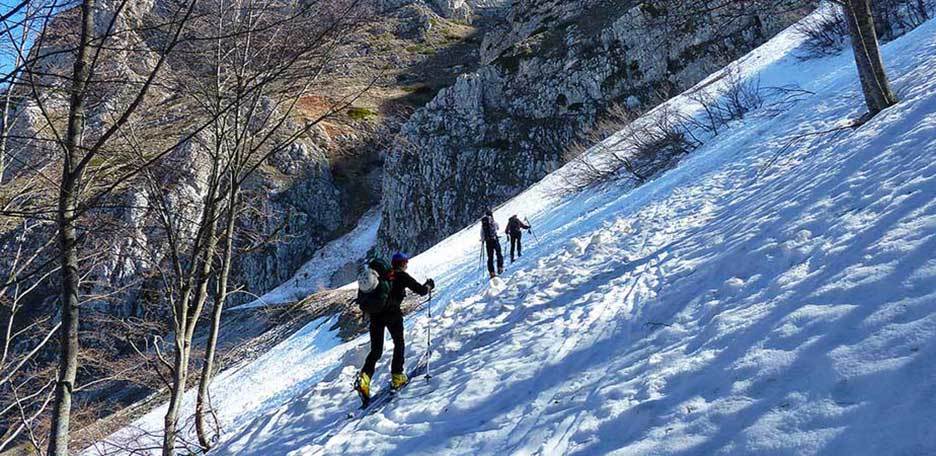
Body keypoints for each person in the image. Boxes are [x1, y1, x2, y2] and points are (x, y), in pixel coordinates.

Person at [355, 252, 434, 401]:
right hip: (393, 315)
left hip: (375, 317)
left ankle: (364, 379)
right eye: (406, 263)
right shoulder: (401, 276)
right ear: (403, 263)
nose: (406, 265)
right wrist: (429, 285)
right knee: (399, 343)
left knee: (376, 350)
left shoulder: (380, 277)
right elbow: (422, 291)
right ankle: (397, 376)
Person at [480, 209, 504, 278]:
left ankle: (492, 273)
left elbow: (482, 233)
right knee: (498, 253)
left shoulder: (483, 224)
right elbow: (498, 228)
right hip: (495, 240)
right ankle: (500, 267)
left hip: (488, 242)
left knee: (490, 257)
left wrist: (483, 239)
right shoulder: (493, 222)